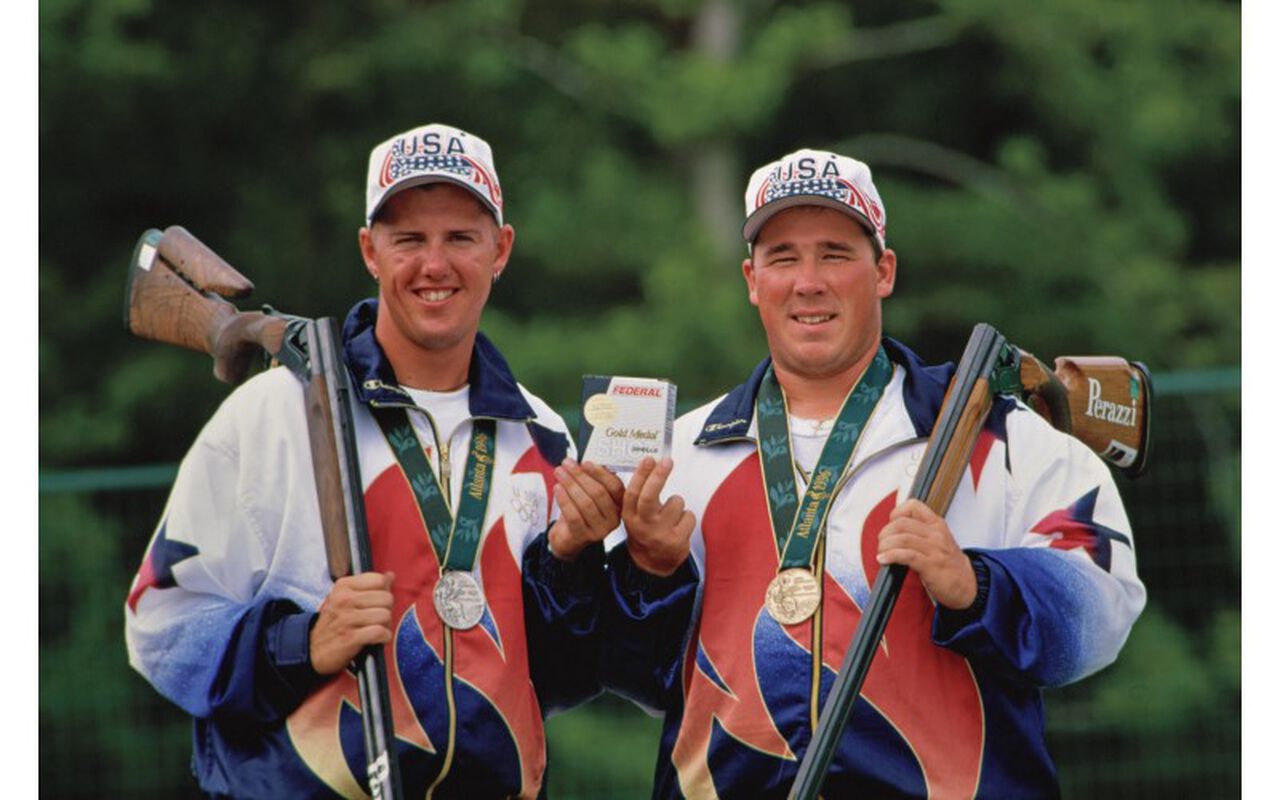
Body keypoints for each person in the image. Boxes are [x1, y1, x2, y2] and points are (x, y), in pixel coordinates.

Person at [596, 149, 1147, 797]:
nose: (809, 280)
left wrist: (976, 585)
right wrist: (647, 573)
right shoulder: (681, 453)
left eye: (835, 253)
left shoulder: (995, 435)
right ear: (752, 280)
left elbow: (1104, 609)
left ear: (882, 271)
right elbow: (626, 675)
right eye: (783, 258)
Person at [124, 122, 621, 799]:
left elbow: (556, 680)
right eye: (409, 239)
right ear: (370, 251)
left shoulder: (542, 436)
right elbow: (160, 626)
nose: (435, 264)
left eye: (461, 238)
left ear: (501, 249)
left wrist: (570, 565)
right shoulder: (273, 412)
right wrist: (302, 644)